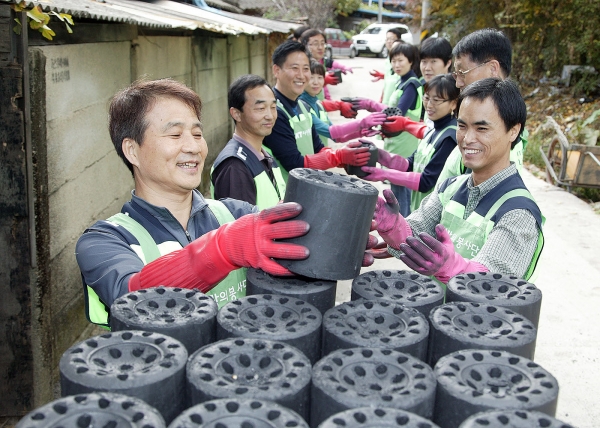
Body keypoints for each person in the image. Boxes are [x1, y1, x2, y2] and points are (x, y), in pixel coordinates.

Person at [75, 78, 311, 327]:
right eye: (175, 134)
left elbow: (295, 242)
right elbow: (133, 300)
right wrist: (222, 250)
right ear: (132, 150)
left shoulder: (234, 213)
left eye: (197, 134)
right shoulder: (104, 241)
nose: (193, 146)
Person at [373, 78, 544, 284]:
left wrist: (452, 267)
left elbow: (494, 284)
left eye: (482, 129)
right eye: (462, 126)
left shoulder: (518, 213)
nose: (467, 138)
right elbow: (414, 236)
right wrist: (393, 226)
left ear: (513, 131)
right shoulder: (450, 187)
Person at [262, 40, 371, 182]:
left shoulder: (303, 106)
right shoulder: (274, 112)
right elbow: (295, 164)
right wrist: (338, 156)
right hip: (284, 197)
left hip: (306, 189)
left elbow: (318, 147)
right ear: (276, 70)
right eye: (295, 68)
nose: (301, 75)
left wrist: (343, 158)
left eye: (306, 69)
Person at [436, 28, 527, 185]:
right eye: (456, 75)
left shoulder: (497, 148)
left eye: (462, 72)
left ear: (492, 69)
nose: (458, 83)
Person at [362, 74, 459, 213]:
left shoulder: (450, 137)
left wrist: (384, 174)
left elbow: (426, 182)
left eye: (436, 100)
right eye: (426, 98)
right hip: (420, 210)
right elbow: (410, 164)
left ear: (454, 103)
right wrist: (379, 155)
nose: (429, 104)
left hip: (436, 215)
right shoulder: (432, 130)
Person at [353, 43, 424, 217]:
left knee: (401, 193)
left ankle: (404, 230)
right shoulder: (402, 81)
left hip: (405, 144)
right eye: (393, 60)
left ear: (411, 61)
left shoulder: (411, 85)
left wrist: (371, 109)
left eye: (400, 60)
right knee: (397, 190)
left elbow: (396, 114)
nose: (396, 65)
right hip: (395, 142)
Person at [211, 75, 285, 210]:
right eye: (260, 108)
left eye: (273, 107)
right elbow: (238, 227)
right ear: (236, 114)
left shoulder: (264, 154)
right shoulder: (235, 165)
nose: (270, 116)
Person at [299, 60, 386, 146]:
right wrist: (361, 123)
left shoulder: (318, 104)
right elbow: (330, 131)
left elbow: (337, 137)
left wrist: (360, 132)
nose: (316, 82)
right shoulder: (300, 106)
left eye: (320, 77)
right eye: (311, 78)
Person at [299, 28, 352, 100]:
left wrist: (328, 98)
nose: (320, 47)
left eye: (322, 43)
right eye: (315, 44)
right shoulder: (302, 65)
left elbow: (332, 63)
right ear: (304, 45)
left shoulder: (322, 61)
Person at [369, 27, 406, 105]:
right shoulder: (387, 60)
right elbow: (388, 81)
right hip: (386, 101)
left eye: (392, 39)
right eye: (387, 39)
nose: (389, 42)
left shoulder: (405, 60)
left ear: (399, 40)